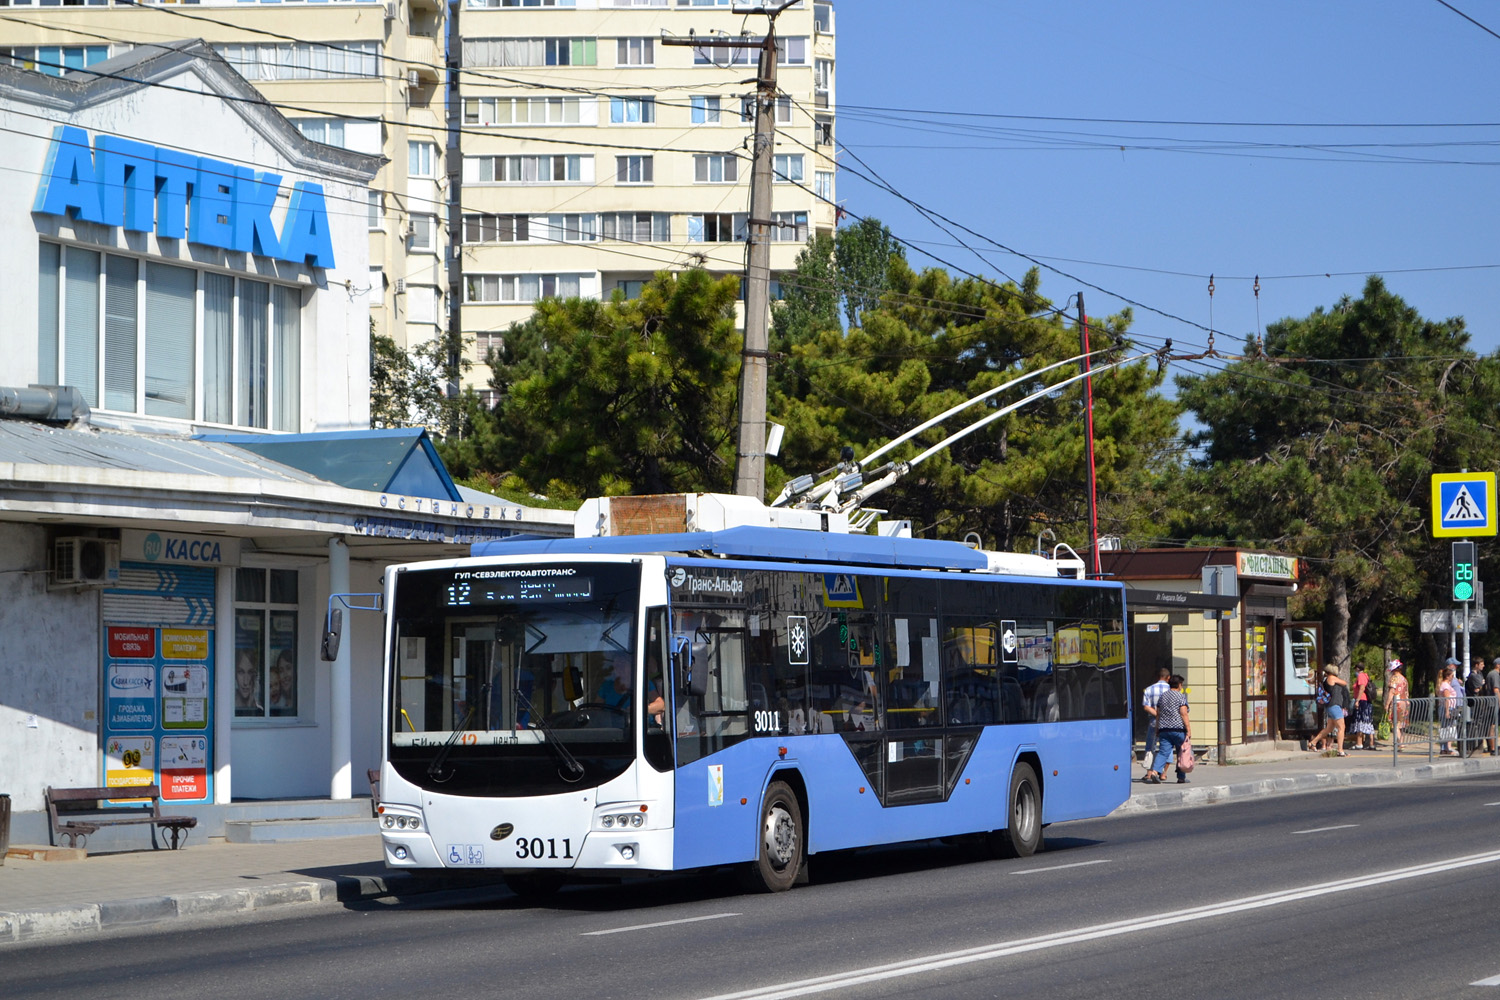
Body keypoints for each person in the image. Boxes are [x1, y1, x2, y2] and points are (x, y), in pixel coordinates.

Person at [1143, 674, 1190, 784]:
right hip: (1178, 729)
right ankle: (1181, 777)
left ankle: (1155, 772)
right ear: (1179, 685)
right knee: (1181, 752)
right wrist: (1188, 729)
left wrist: (1157, 728)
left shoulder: (1163, 696)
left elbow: (1158, 714)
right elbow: (1184, 713)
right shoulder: (1180, 696)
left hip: (1164, 729)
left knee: (1163, 752)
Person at [1308, 665, 1350, 755]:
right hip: (1334, 705)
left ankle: (1313, 743)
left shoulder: (1328, 679)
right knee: (1341, 727)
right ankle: (1340, 750)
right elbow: (1344, 683)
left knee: (1329, 728)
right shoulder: (1331, 678)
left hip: (1331, 706)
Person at [1141, 666, 1170, 773]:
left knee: (1150, 746)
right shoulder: (1171, 690)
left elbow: (1146, 706)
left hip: (1153, 721)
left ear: (1158, 677)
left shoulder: (1149, 689)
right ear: (1168, 677)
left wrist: (1157, 715)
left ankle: (1149, 772)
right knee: (1166, 747)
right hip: (1168, 723)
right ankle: (1162, 773)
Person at [1384, 659, 1410, 749]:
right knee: (1402, 724)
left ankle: (1398, 742)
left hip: (1397, 702)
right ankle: (1401, 742)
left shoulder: (1394, 678)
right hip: (1405, 702)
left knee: (1395, 724)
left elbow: (1391, 692)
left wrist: (1387, 704)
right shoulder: (1404, 679)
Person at [1350, 664, 1377, 750]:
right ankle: (1371, 743)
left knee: (1360, 720)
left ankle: (1359, 742)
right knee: (1368, 721)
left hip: (1362, 700)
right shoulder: (1366, 676)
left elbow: (1362, 688)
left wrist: (1357, 700)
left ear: (1358, 668)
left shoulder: (1361, 676)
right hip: (1366, 701)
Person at [1438, 662, 1461, 755]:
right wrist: (1447, 711)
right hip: (1447, 708)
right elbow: (1447, 699)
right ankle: (1446, 748)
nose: (1452, 677)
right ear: (1447, 676)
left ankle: (1446, 748)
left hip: (1448, 708)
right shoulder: (1445, 686)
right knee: (1447, 728)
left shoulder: (1446, 685)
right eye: (1451, 675)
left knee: (1448, 728)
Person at [234, 648, 262, 714]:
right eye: (241, 672)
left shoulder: (260, 711)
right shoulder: (227, 708)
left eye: (250, 672)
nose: (245, 682)